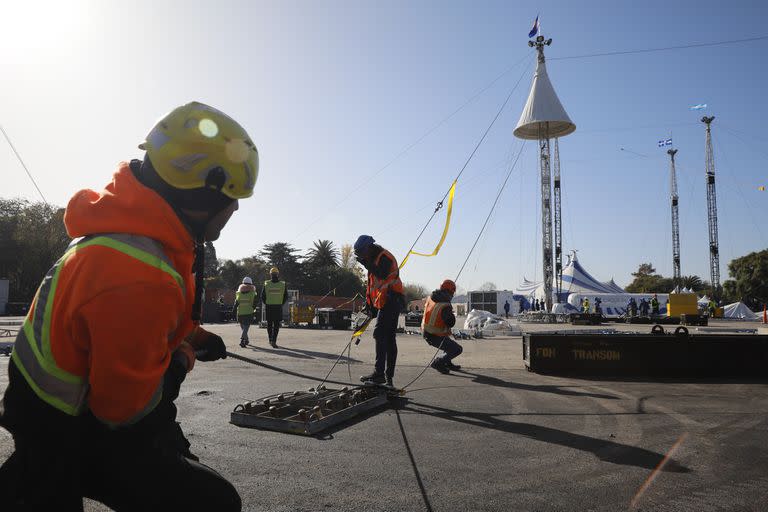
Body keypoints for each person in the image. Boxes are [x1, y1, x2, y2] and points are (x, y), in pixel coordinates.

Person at [0, 102, 257, 511]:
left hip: (56, 409)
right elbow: (123, 411)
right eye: (232, 195)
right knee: (214, 503)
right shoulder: (138, 272)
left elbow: (123, 325)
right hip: (67, 431)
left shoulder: (132, 237)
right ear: (202, 193)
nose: (237, 208)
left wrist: (192, 335)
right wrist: (182, 359)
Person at [354, 235, 404, 387]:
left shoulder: (384, 257)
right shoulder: (373, 260)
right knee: (388, 338)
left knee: (380, 334)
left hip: (392, 300)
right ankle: (386, 376)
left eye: (361, 253)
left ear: (369, 248)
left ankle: (380, 374)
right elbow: (374, 287)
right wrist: (369, 306)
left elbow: (382, 274)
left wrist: (365, 263)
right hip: (383, 302)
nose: (361, 256)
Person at [422, 280, 463, 374]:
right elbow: (450, 322)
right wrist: (451, 314)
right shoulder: (445, 304)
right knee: (457, 349)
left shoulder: (432, 298)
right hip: (435, 335)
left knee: (448, 346)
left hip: (428, 332)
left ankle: (447, 362)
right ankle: (438, 362)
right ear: (451, 291)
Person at [261, 267, 287, 348]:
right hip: (278, 306)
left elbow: (262, 296)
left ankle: (270, 339)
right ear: (277, 274)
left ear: (270, 274)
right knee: (276, 325)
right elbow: (286, 296)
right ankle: (274, 340)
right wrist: (280, 303)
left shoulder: (266, 283)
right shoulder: (282, 284)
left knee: (269, 324)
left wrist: (267, 303)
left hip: (269, 306)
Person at [234, 277, 257, 347]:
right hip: (249, 312)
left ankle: (246, 340)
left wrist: (233, 311)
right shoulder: (253, 293)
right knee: (246, 328)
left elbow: (236, 303)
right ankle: (242, 340)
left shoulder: (239, 293)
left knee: (244, 328)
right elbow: (255, 303)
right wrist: (254, 310)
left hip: (240, 313)